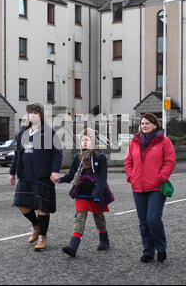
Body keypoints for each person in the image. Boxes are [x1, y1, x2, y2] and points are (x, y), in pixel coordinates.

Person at [9, 103, 62, 251]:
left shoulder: (48, 132)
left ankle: (42, 237)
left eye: (36, 112)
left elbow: (57, 153)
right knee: (20, 204)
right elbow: (17, 154)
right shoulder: (23, 132)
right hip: (25, 175)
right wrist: (12, 172)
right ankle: (36, 226)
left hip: (43, 176)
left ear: (40, 115)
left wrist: (55, 170)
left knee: (42, 208)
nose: (32, 115)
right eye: (30, 112)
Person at [124, 113, 176, 263]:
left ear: (155, 125)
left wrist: (161, 177)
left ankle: (161, 248)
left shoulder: (164, 141)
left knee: (153, 219)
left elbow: (170, 161)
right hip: (138, 187)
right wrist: (131, 176)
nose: (144, 126)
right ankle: (148, 251)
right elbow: (128, 161)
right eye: (142, 123)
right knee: (143, 221)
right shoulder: (134, 142)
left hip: (156, 187)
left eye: (147, 123)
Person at [58, 128, 115, 257]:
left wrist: (98, 193)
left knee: (98, 217)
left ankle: (104, 239)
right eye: (82, 140)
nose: (84, 142)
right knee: (80, 217)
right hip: (81, 192)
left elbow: (103, 177)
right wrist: (61, 179)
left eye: (87, 139)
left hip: (96, 192)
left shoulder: (100, 157)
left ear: (93, 141)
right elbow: (73, 174)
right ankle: (73, 246)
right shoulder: (78, 158)